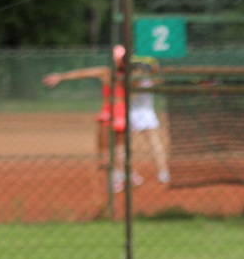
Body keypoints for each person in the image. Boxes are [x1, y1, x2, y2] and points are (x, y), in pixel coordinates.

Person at [42, 48, 171, 191]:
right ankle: (130, 176)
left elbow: (84, 73)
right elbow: (152, 79)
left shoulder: (112, 73)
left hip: (112, 114)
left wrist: (61, 77)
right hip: (123, 114)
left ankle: (120, 178)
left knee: (107, 150)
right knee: (119, 149)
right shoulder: (132, 76)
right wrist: (147, 68)